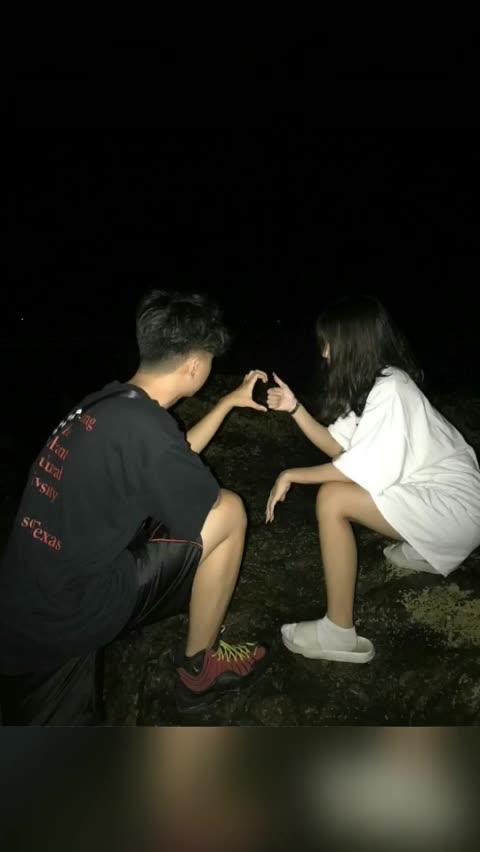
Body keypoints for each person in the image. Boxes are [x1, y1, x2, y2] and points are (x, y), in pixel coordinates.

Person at [0, 289, 271, 725]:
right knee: (229, 511)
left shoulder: (106, 403)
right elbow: (204, 502)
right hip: (69, 612)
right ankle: (199, 670)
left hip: (26, 597)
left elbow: (170, 455)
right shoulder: (145, 429)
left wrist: (226, 404)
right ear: (194, 366)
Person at [265, 295, 480, 663]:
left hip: (459, 511)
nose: (325, 353)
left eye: (329, 343)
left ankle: (338, 632)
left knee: (333, 498)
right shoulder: (375, 385)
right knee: (342, 487)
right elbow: (337, 446)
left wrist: (292, 475)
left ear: (352, 344)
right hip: (451, 503)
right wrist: (295, 407)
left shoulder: (391, 390)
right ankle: (432, 550)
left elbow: (358, 470)